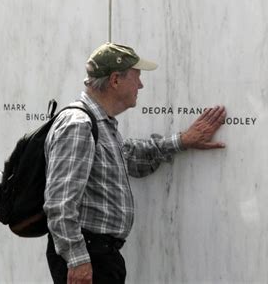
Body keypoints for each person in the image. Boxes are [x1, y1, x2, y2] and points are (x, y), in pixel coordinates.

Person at [43, 42, 226, 284]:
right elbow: (59, 202)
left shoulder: (101, 124)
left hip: (101, 256)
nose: (140, 85)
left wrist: (183, 141)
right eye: (136, 77)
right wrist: (77, 260)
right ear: (115, 80)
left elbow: (131, 157)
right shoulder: (79, 125)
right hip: (89, 257)